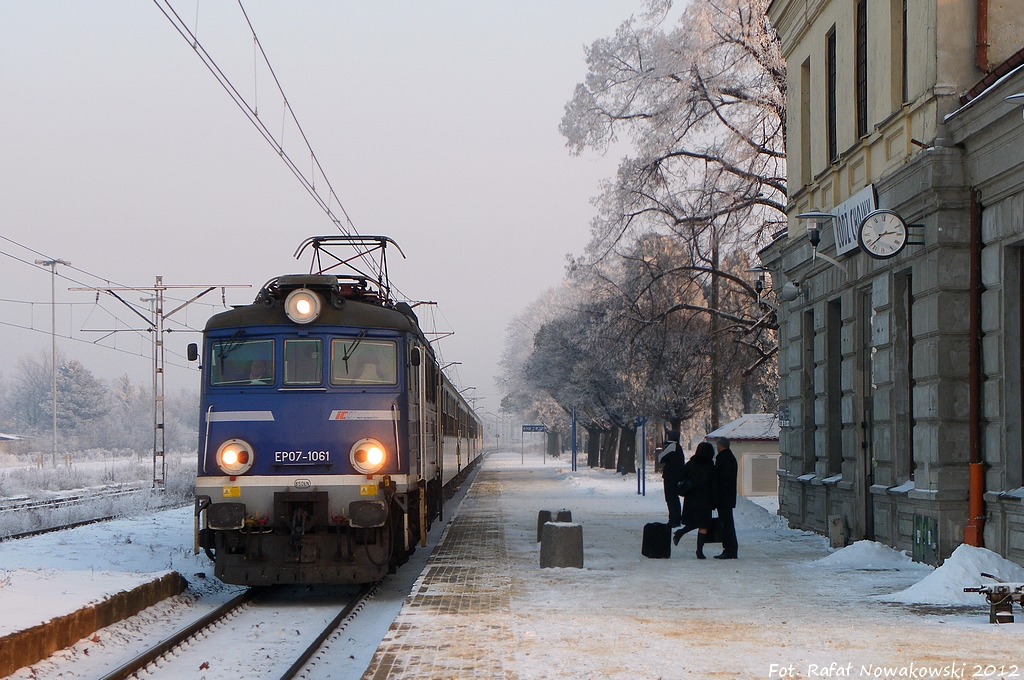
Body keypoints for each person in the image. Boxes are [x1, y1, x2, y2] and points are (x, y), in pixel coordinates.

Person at [673, 441, 717, 559]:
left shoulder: (691, 464)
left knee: (694, 521)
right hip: (705, 498)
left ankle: (681, 533)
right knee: (704, 524)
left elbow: (681, 476)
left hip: (692, 497)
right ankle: (699, 551)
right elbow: (714, 483)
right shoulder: (710, 466)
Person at [714, 436, 739, 559]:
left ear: (719, 446)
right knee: (726, 523)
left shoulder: (725, 459)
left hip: (724, 498)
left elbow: (722, 480)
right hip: (726, 497)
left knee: (727, 524)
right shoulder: (729, 458)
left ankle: (730, 549)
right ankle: (728, 549)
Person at [657, 430, 685, 528]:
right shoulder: (678, 447)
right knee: (674, 498)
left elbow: (660, 458)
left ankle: (673, 519)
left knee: (670, 498)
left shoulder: (672, 446)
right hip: (676, 476)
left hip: (670, 477)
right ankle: (677, 518)